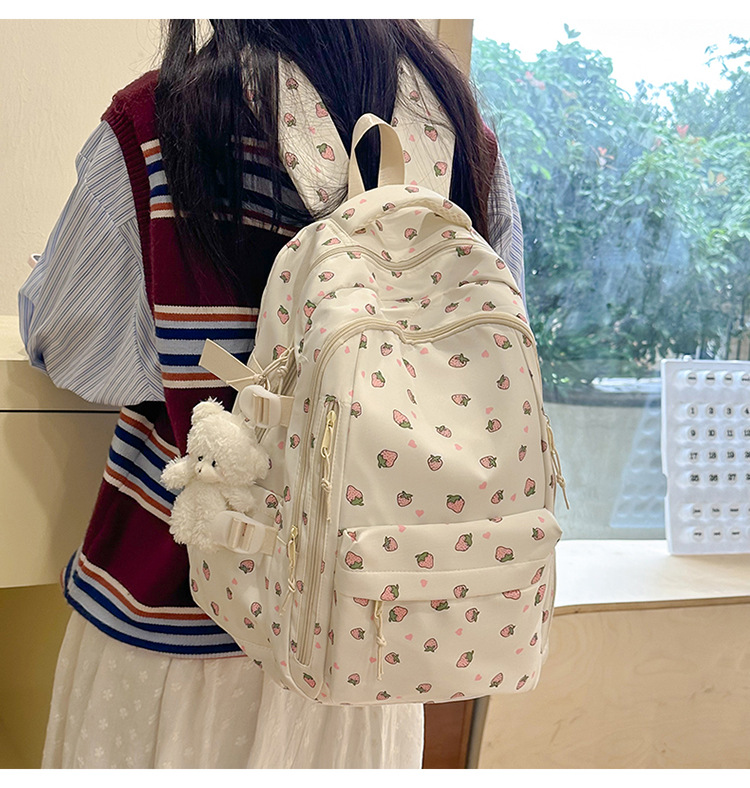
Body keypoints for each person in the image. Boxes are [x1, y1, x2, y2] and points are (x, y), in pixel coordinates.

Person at [19, 19, 525, 769]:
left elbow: (71, 344)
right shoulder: (462, 145)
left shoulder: (162, 121)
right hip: (369, 640)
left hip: (172, 623)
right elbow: (489, 373)